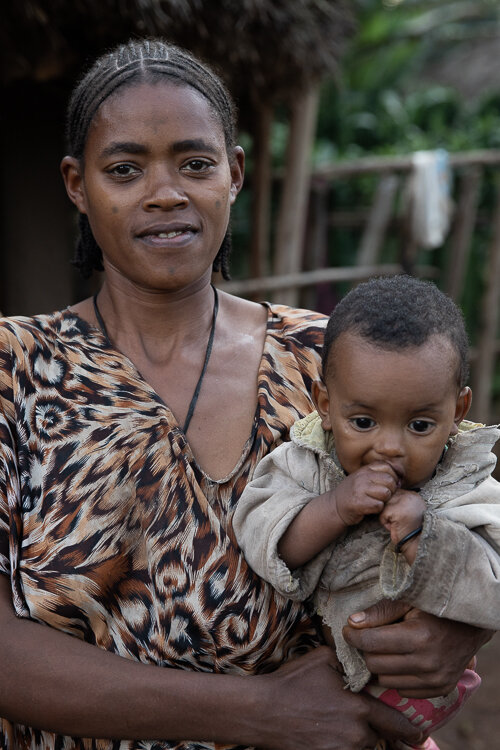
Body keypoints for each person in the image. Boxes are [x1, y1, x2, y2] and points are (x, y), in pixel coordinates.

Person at [0, 40, 492, 750]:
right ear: (77, 185)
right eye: (125, 169)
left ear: (233, 173)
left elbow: (465, 513)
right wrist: (257, 711)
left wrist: (460, 627)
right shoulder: (16, 371)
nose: (165, 192)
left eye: (194, 164)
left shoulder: (331, 360)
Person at [234, 275, 500, 749]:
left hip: (418, 693)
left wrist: (427, 535)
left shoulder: (468, 482)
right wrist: (334, 507)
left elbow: (493, 584)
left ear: (458, 410)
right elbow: (260, 533)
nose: (390, 447)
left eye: (420, 425)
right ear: (325, 406)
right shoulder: (304, 463)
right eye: (363, 422)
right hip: (313, 694)